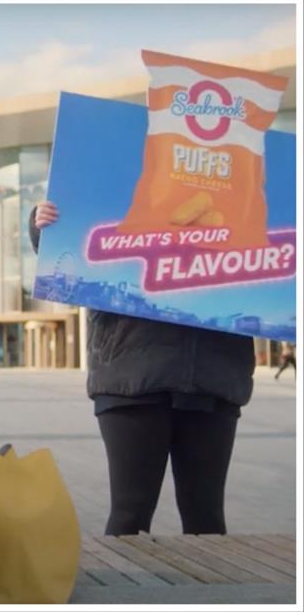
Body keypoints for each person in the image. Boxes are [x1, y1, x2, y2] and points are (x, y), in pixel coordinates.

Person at [30, 200, 254, 536]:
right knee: (130, 514)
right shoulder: (120, 167)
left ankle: (209, 591)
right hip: (132, 372)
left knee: (206, 518)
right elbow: (73, 244)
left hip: (212, 373)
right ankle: (120, 589)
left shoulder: (244, 174)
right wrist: (42, 226)